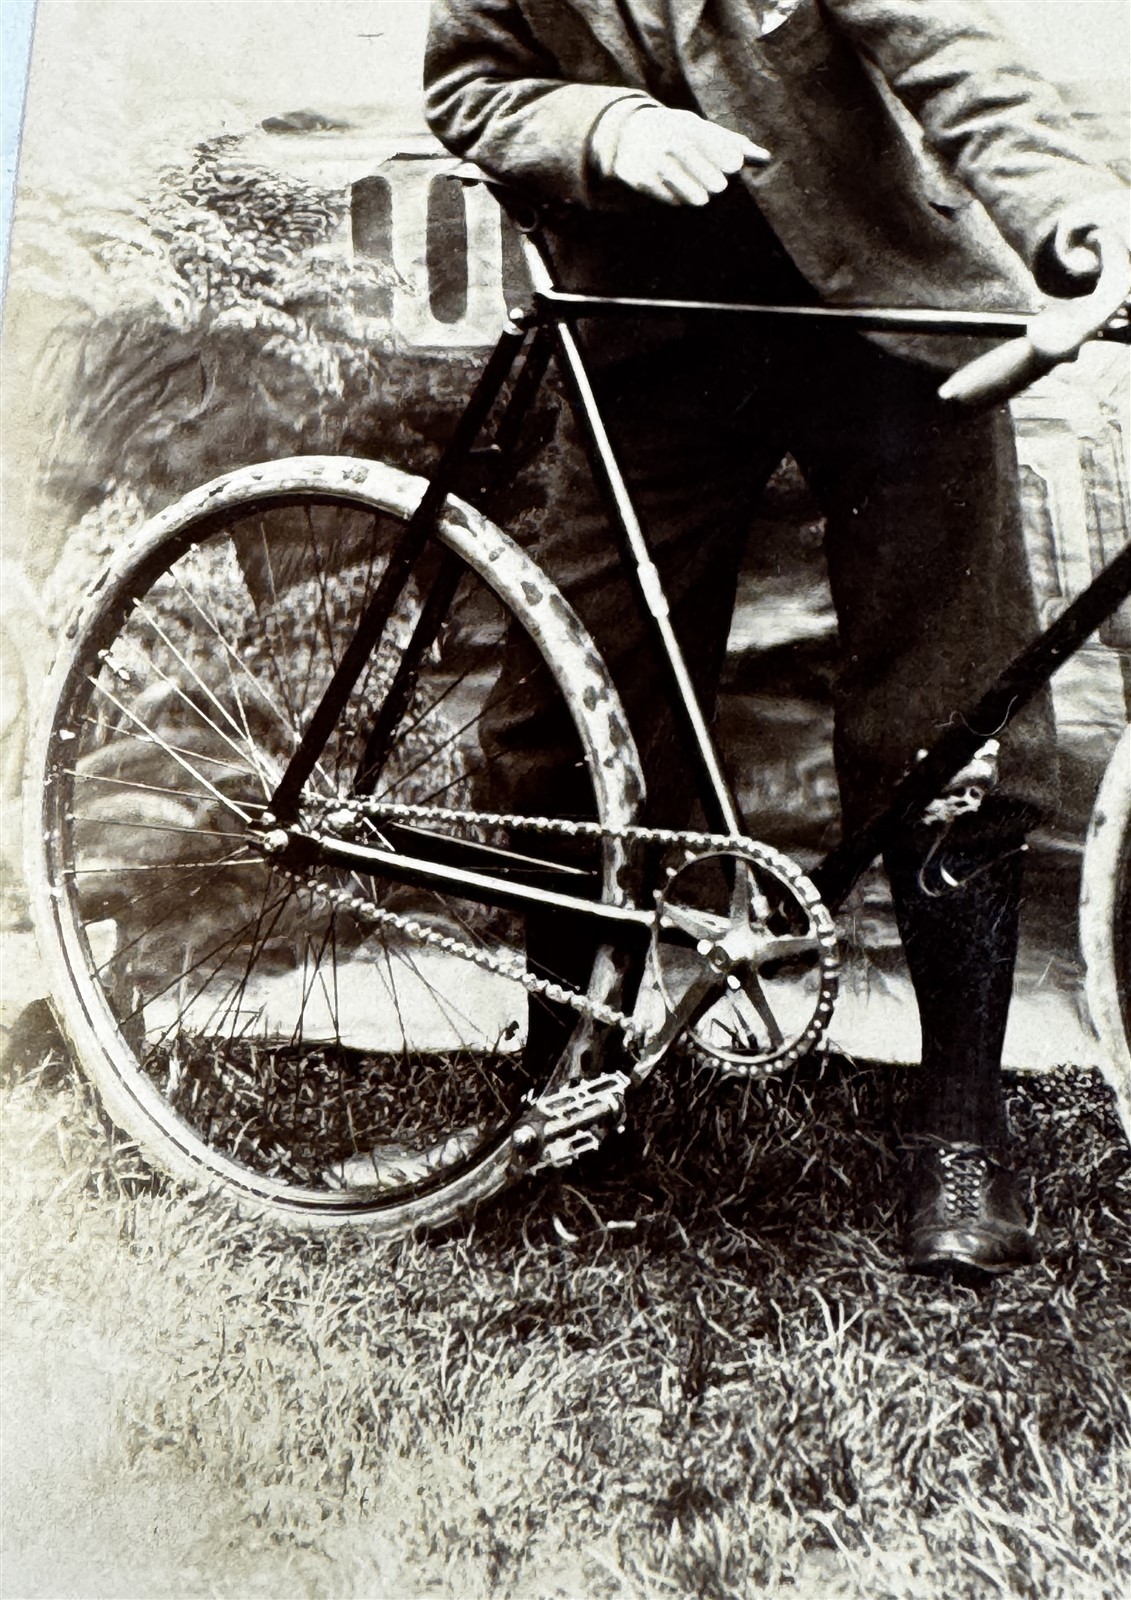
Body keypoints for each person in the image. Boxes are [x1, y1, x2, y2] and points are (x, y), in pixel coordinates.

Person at [422, 0, 1130, 1274]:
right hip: (647, 331)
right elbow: (471, 85)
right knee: (578, 690)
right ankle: (566, 1080)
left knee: (953, 701)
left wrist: (1069, 214)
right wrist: (604, 129)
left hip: (878, 309)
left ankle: (961, 1131)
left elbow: (947, 47)